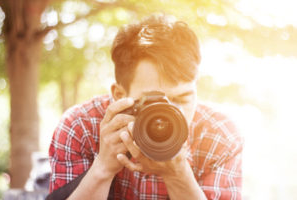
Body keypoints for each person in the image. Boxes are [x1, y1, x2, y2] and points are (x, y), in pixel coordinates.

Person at [48, 15, 243, 200]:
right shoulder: (80, 127)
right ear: (119, 95)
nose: (169, 114)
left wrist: (178, 174)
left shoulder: (219, 136)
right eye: (153, 101)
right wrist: (103, 168)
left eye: (182, 98)